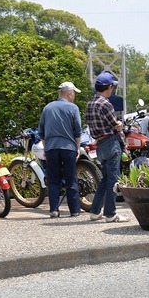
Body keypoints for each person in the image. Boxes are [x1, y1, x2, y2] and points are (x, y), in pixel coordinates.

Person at [86, 72, 129, 223]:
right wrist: (124, 146)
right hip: (111, 142)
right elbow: (116, 127)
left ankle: (95, 211)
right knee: (113, 180)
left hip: (99, 144)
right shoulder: (106, 104)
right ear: (109, 87)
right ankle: (111, 214)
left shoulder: (90, 104)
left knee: (105, 179)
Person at [38, 82, 83, 218]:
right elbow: (77, 130)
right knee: (71, 179)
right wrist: (78, 148)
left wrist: (46, 148)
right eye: (74, 93)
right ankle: (74, 210)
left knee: (53, 180)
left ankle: (54, 210)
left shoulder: (47, 108)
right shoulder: (73, 108)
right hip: (68, 148)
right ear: (69, 93)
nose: (74, 96)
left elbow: (42, 132)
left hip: (51, 148)